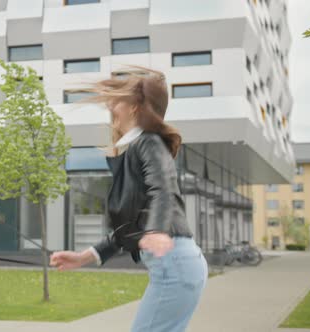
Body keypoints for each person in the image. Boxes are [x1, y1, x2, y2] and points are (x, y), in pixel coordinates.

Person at [50, 68, 208, 332]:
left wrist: (156, 229)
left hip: (175, 265)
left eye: (117, 100)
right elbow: (129, 228)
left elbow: (164, 188)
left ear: (135, 107)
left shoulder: (149, 143)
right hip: (178, 266)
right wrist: (85, 257)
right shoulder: (134, 151)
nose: (110, 106)